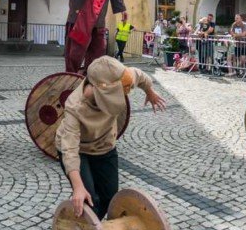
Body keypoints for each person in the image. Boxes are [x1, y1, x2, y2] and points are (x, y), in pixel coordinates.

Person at [56, 57, 166, 219]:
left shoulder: (123, 78)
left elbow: (141, 76)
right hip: (79, 149)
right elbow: (70, 150)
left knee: (109, 198)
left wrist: (150, 92)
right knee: (90, 201)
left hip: (104, 146)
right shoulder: (75, 105)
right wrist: (78, 187)